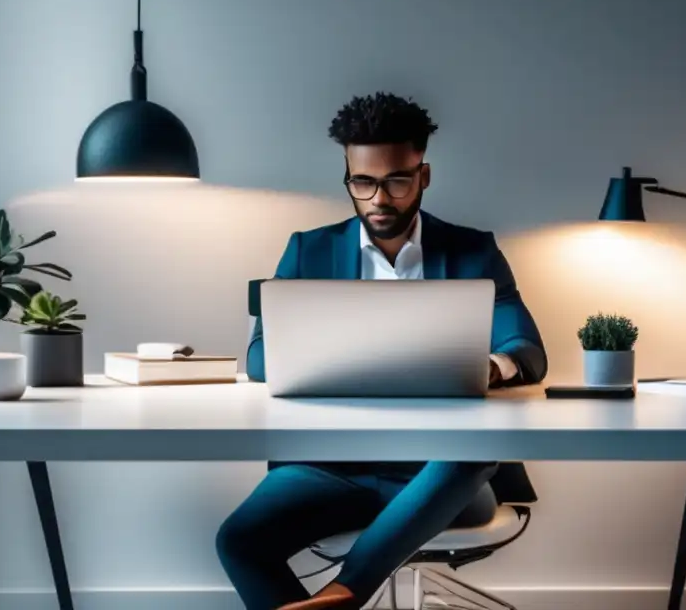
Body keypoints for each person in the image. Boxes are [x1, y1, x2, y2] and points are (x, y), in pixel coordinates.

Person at [215, 92, 547, 610]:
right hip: (328, 469)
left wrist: (492, 367)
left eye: (396, 180)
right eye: (362, 182)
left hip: (440, 476)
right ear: (348, 176)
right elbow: (260, 358)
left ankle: (345, 594)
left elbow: (525, 347)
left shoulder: (472, 251)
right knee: (238, 540)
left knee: (472, 450)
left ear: (424, 175)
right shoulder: (308, 250)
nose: (378, 200)